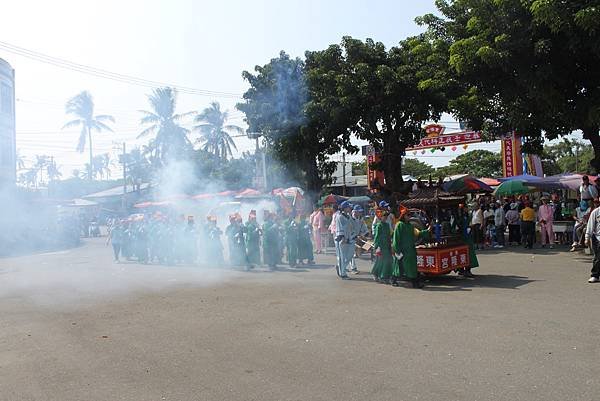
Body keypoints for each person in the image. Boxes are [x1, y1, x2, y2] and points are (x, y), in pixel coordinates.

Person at [391, 205, 430, 288]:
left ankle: (415, 283)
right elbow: (396, 239)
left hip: (410, 250)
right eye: (408, 215)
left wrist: (427, 231)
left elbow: (418, 233)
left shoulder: (410, 225)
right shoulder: (399, 225)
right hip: (402, 250)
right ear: (403, 216)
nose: (409, 217)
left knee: (412, 267)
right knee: (399, 266)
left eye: (409, 215)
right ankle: (393, 279)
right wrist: (397, 250)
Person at [371, 210, 393, 283]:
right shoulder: (379, 225)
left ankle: (384, 276)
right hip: (380, 246)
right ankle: (376, 274)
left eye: (386, 217)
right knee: (379, 261)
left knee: (387, 261)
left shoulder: (387, 225)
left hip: (387, 245)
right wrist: (376, 246)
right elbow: (377, 237)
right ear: (381, 217)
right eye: (384, 216)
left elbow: (389, 235)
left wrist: (390, 243)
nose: (385, 218)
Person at [334, 201, 353, 279]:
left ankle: (340, 267)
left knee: (349, 255)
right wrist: (342, 237)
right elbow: (339, 228)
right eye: (348, 207)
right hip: (341, 239)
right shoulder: (339, 216)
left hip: (348, 238)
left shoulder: (348, 216)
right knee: (342, 257)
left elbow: (351, 227)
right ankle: (343, 274)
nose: (350, 208)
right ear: (345, 208)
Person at [349, 205, 369, 274]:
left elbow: (364, 228)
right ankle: (353, 268)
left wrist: (364, 234)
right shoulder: (350, 219)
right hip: (351, 238)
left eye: (361, 212)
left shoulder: (361, 219)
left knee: (368, 246)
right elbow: (350, 229)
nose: (360, 213)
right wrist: (356, 236)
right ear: (355, 212)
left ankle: (343, 267)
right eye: (359, 212)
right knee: (350, 254)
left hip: (358, 237)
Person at [585, 198, 600, 283]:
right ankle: (595, 275)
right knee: (598, 258)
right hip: (597, 238)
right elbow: (590, 225)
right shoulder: (595, 212)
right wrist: (587, 237)